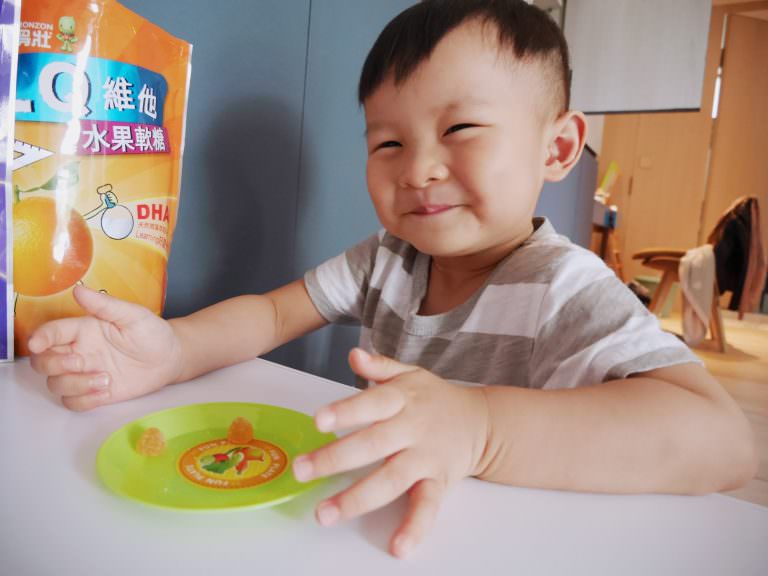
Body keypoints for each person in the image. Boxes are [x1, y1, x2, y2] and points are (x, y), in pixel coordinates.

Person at [28, 0, 756, 559]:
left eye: (461, 130)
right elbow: (274, 315)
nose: (419, 168)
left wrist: (481, 428)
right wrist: (176, 350)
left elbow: (723, 442)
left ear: (558, 147)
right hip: (369, 532)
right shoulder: (388, 259)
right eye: (389, 142)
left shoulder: (564, 285)